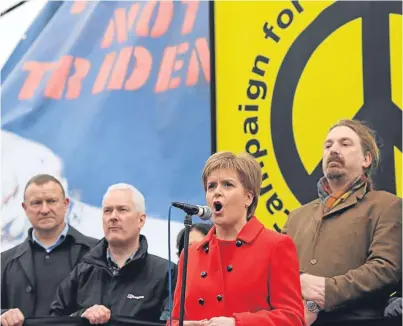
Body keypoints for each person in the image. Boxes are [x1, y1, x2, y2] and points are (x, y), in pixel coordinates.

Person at [283, 120, 402, 326]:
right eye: (328, 145)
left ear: (366, 159)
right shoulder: (296, 217)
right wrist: (300, 283)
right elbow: (277, 269)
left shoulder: (387, 206)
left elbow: (385, 268)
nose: (334, 150)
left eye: (345, 144)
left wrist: (325, 292)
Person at [168, 152, 305, 326]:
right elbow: (173, 320)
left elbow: (292, 319)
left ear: (248, 197)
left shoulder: (276, 246)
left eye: (227, 185)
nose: (217, 192)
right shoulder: (190, 255)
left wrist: (236, 323)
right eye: (211, 186)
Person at [50, 183, 177, 324]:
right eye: (107, 211)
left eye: (122, 210)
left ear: (141, 220)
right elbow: (54, 320)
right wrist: (81, 316)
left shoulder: (167, 274)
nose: (113, 217)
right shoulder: (82, 271)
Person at [1, 174, 98, 326]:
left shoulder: (98, 254)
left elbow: (118, 304)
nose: (44, 209)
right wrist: (2, 315)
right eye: (36, 203)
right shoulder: (4, 262)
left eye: (52, 201)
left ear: (66, 204)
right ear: (25, 208)